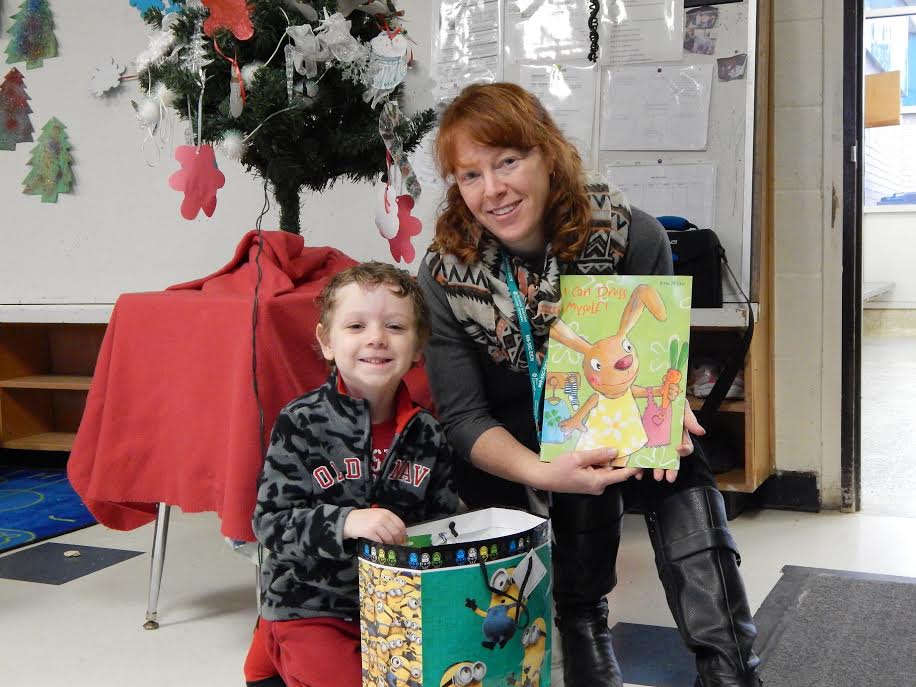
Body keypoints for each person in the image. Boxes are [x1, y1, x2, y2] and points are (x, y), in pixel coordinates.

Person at [418, 82, 760, 687]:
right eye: (470, 175)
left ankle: (730, 664)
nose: (492, 189)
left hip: (608, 395)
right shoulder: (446, 272)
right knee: (570, 450)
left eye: (507, 161)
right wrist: (544, 471)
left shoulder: (633, 234)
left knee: (677, 458)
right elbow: (463, 418)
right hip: (509, 433)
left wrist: (667, 402)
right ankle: (583, 627)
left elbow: (654, 359)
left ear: (547, 154)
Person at [250, 262, 458, 687]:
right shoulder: (301, 423)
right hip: (311, 604)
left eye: (396, 327)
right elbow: (269, 524)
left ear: (419, 346)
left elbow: (441, 525)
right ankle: (273, 640)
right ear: (327, 342)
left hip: (394, 605)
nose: (376, 338)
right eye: (356, 325)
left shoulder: (429, 434)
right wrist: (346, 522)